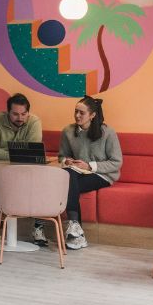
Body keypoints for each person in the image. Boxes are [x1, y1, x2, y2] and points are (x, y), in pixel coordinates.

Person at [57, 95, 123, 250]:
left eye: (82, 113)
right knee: (69, 174)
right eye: (75, 112)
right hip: (76, 172)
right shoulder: (68, 131)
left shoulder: (108, 133)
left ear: (92, 115)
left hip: (102, 175)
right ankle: (76, 230)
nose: (77, 116)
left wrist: (90, 167)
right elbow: (62, 155)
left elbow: (116, 162)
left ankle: (75, 229)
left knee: (68, 182)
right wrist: (66, 161)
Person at [0, 93, 45, 244]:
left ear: (28, 113)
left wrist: (7, 153)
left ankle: (38, 227)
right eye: (15, 114)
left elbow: (31, 152)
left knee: (44, 177)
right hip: (1, 170)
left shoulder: (34, 122)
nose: (20, 118)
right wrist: (18, 154)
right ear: (7, 112)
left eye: (23, 114)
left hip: (27, 170)